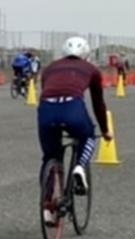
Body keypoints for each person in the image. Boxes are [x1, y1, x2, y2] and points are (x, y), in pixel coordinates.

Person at [37, 36, 110, 216]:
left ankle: (47, 205)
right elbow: (98, 103)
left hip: (46, 110)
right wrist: (105, 130)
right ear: (86, 54)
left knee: (50, 156)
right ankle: (79, 166)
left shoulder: (49, 68)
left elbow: (47, 89)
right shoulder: (92, 70)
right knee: (89, 136)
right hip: (72, 108)